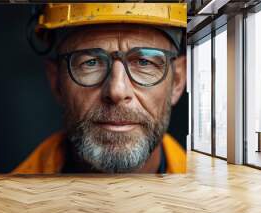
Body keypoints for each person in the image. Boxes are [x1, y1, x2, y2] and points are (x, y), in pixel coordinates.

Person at [13, 3, 187, 174]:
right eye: (91, 63)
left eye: (144, 62)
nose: (116, 91)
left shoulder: (212, 197)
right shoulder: (4, 202)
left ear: (177, 81)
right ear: (57, 81)